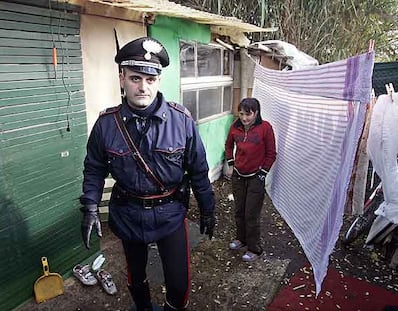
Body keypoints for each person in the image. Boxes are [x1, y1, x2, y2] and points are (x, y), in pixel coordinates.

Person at [79, 37, 216, 311]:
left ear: (158, 81)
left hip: (170, 213)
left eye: (150, 79)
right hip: (128, 213)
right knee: (136, 277)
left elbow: (198, 169)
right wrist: (91, 206)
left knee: (178, 284)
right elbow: (94, 167)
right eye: (135, 78)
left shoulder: (181, 120)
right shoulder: (107, 125)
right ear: (122, 79)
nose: (143, 87)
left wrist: (207, 208)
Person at [224, 97, 276, 262]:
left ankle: (254, 248)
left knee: (251, 215)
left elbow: (271, 153)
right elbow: (228, 145)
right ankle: (241, 239)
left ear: (256, 113)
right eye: (241, 114)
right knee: (239, 211)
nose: (244, 118)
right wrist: (231, 164)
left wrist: (263, 173)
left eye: (248, 114)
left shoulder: (265, 128)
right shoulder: (235, 126)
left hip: (255, 177)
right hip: (239, 176)